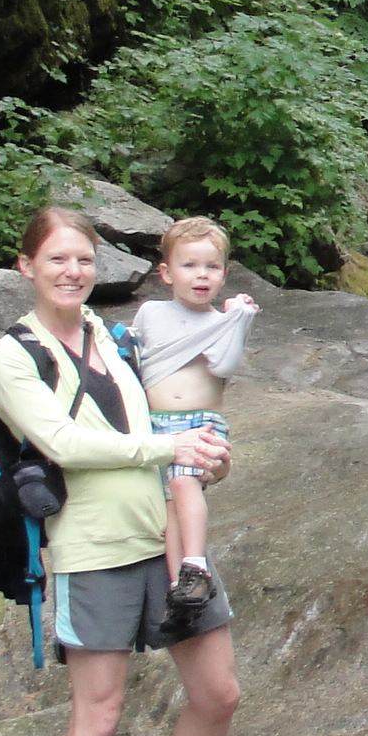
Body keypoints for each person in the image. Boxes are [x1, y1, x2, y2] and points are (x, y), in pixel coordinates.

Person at [0, 205, 268, 736]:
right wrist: (165, 453)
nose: (73, 271)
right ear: (27, 268)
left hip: (161, 535)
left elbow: (160, 422)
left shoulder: (113, 338)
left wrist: (205, 455)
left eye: (83, 259)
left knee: (219, 692)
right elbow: (62, 442)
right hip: (93, 549)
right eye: (57, 260)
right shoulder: (12, 358)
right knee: (99, 715)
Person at [130, 216, 259, 634]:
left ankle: (196, 565)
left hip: (202, 420)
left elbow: (224, 365)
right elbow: (131, 355)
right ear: (166, 273)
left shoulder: (218, 322)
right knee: (168, 508)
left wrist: (239, 321)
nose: (201, 275)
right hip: (157, 423)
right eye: (189, 265)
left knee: (186, 483)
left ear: (224, 273)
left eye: (212, 267)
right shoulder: (151, 313)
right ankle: (179, 588)